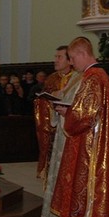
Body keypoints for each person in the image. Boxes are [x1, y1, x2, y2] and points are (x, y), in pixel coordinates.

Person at [50, 36, 109, 217]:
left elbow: (84, 116)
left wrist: (67, 114)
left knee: (86, 190)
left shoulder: (93, 78)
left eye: (73, 58)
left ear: (83, 54)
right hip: (97, 142)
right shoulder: (102, 77)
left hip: (89, 148)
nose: (72, 63)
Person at [35, 46, 73, 182]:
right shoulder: (51, 79)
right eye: (55, 57)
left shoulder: (76, 78)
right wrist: (48, 102)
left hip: (70, 128)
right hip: (54, 128)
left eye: (59, 57)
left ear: (69, 60)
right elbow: (42, 101)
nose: (55, 60)